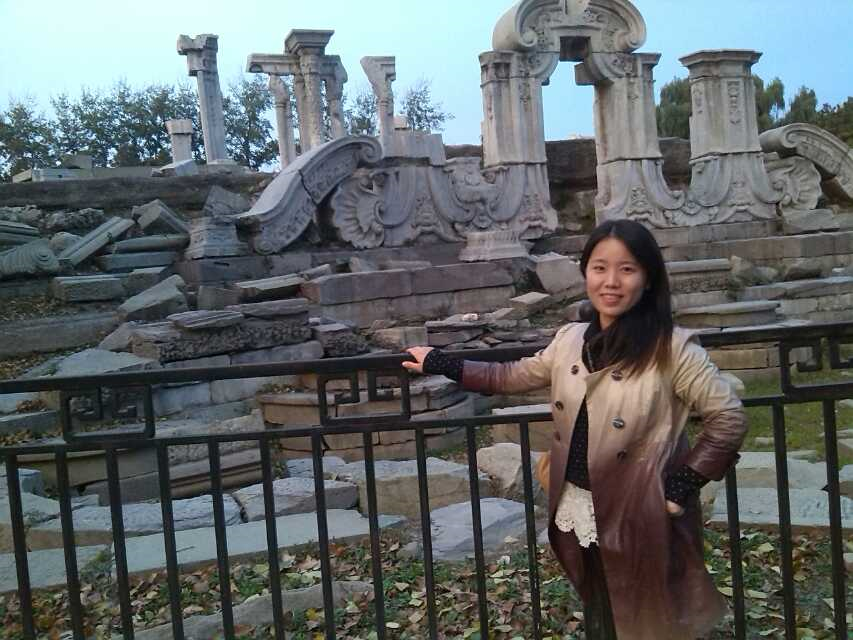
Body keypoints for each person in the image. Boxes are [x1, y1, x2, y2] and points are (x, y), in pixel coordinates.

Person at [403, 219, 747, 640]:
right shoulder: (570, 339)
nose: (611, 281)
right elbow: (512, 375)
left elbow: (728, 418)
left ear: (648, 279)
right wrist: (441, 363)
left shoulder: (673, 349)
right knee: (599, 601)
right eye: (600, 268)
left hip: (640, 508)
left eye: (627, 269)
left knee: (646, 615)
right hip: (579, 501)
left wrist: (680, 488)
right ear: (586, 273)